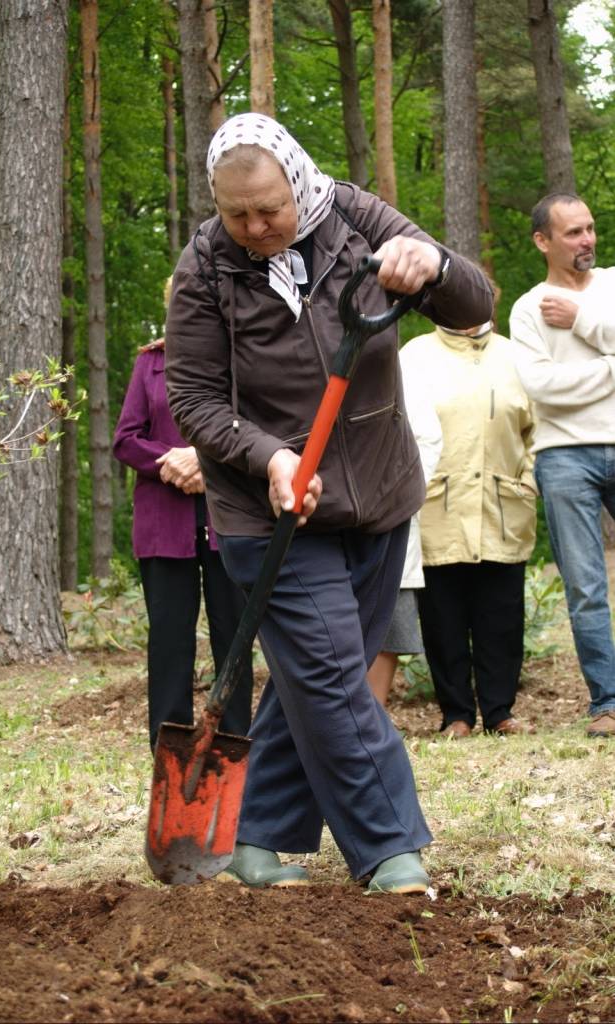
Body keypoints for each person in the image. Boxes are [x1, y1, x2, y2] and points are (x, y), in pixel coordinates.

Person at [165, 112, 493, 893]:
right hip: (269, 512)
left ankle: (254, 837)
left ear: (298, 181)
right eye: (236, 213)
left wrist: (433, 265)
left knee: (316, 679)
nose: (256, 227)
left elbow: (475, 301)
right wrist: (270, 456)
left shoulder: (355, 218)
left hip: (378, 496)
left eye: (269, 209)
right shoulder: (208, 267)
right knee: (337, 680)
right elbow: (193, 395)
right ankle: (389, 849)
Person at [113, 287, 254, 753]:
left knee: (232, 636)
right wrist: (171, 462)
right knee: (170, 640)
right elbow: (126, 439)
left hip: (228, 518)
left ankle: (232, 738)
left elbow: (254, 429)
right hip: (163, 524)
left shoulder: (241, 362)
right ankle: (168, 746)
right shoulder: (149, 364)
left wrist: (204, 461)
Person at [400, 316, 537, 738]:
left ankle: (500, 713)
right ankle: (455, 715)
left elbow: (537, 432)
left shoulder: (518, 356)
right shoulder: (415, 356)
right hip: (439, 505)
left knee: (502, 616)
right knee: (443, 616)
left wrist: (528, 481)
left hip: (503, 505)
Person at [510, 192, 615, 739]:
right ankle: (608, 702)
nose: (587, 240)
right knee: (585, 586)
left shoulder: (613, 287)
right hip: (563, 455)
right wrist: (612, 367)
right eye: (573, 232)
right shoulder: (528, 309)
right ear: (542, 241)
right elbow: (542, 390)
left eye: (590, 229)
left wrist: (583, 322)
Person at [366, 356, 442, 706]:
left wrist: (398, 494)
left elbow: (427, 437)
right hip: (323, 512)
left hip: (389, 511)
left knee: (388, 621)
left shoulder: (399, 367)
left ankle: (373, 715)